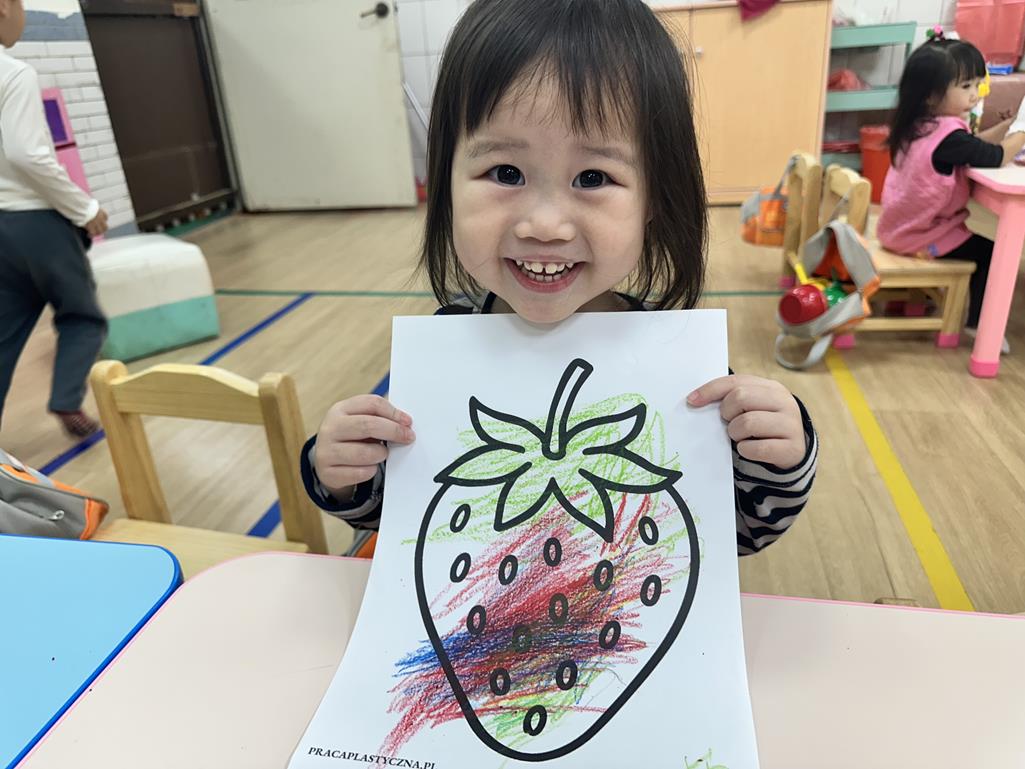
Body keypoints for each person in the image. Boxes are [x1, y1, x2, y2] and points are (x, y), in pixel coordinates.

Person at [301, 0, 818, 555]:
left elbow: (737, 535)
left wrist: (779, 460)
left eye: (592, 177)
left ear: (653, 199)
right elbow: (407, 513)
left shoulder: (680, 371)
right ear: (446, 181)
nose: (544, 225)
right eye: (506, 172)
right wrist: (343, 472)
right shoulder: (446, 347)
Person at [0, 0, 109, 438]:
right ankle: (67, 400)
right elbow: (27, 154)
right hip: (36, 223)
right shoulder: (13, 73)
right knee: (82, 317)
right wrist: (85, 209)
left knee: (5, 330)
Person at [877, 32, 1025, 350]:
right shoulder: (947, 135)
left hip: (897, 227)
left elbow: (975, 146)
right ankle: (980, 326)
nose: (975, 95)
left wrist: (1008, 127)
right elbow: (995, 156)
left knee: (982, 245)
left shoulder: (920, 124)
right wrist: (1022, 131)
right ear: (932, 95)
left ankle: (926, 303)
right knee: (990, 252)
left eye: (977, 85)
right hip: (921, 236)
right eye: (966, 87)